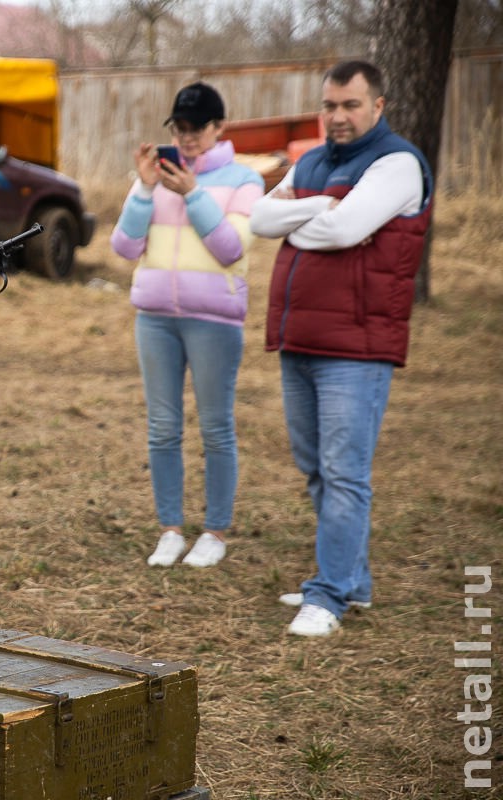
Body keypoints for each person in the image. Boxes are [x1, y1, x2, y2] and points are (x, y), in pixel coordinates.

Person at [249, 60, 432, 637]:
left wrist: (305, 218)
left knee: (344, 472)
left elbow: (343, 231)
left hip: (357, 346)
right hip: (299, 336)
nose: (338, 116)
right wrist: (313, 208)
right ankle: (351, 580)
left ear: (378, 107)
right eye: (329, 105)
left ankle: (328, 595)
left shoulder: (397, 163)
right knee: (315, 469)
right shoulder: (311, 161)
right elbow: (258, 217)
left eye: (351, 105)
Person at [110, 82, 264, 569]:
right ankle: (171, 529)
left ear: (220, 128)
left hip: (213, 320)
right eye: (179, 127)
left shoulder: (245, 181)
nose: (187, 137)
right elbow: (123, 247)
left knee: (216, 428)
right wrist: (146, 188)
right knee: (162, 428)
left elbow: (230, 248)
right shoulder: (155, 177)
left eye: (197, 128)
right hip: (155, 319)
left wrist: (193, 194)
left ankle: (215, 531)